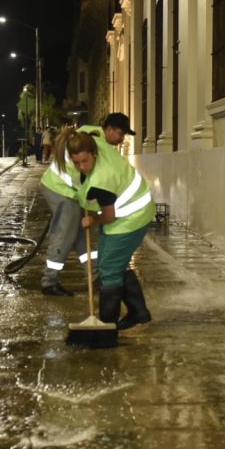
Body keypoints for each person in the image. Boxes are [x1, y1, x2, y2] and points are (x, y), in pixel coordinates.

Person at [67, 113, 155, 331]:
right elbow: (85, 130)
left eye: (85, 161)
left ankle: (108, 324)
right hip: (126, 213)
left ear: (93, 153)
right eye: (77, 163)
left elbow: (109, 216)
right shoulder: (94, 138)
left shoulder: (101, 181)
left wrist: (92, 220)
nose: (82, 167)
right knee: (108, 263)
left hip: (131, 217)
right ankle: (139, 312)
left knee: (110, 271)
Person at [39, 121, 93, 296]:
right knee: (65, 235)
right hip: (60, 191)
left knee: (80, 234)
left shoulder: (80, 147)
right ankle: (49, 282)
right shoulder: (78, 161)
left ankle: (95, 276)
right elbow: (85, 191)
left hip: (65, 190)